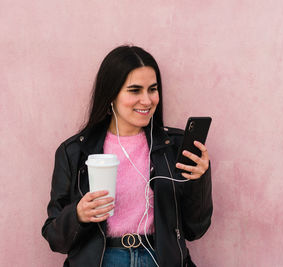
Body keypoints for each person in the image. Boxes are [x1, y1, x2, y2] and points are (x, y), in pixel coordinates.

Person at [42, 45, 213, 267]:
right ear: (111, 95)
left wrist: (199, 180)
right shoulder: (73, 152)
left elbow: (195, 229)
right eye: (135, 90)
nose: (147, 100)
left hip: (158, 259)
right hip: (105, 261)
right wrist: (78, 215)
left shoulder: (175, 147)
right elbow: (55, 239)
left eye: (153, 89)